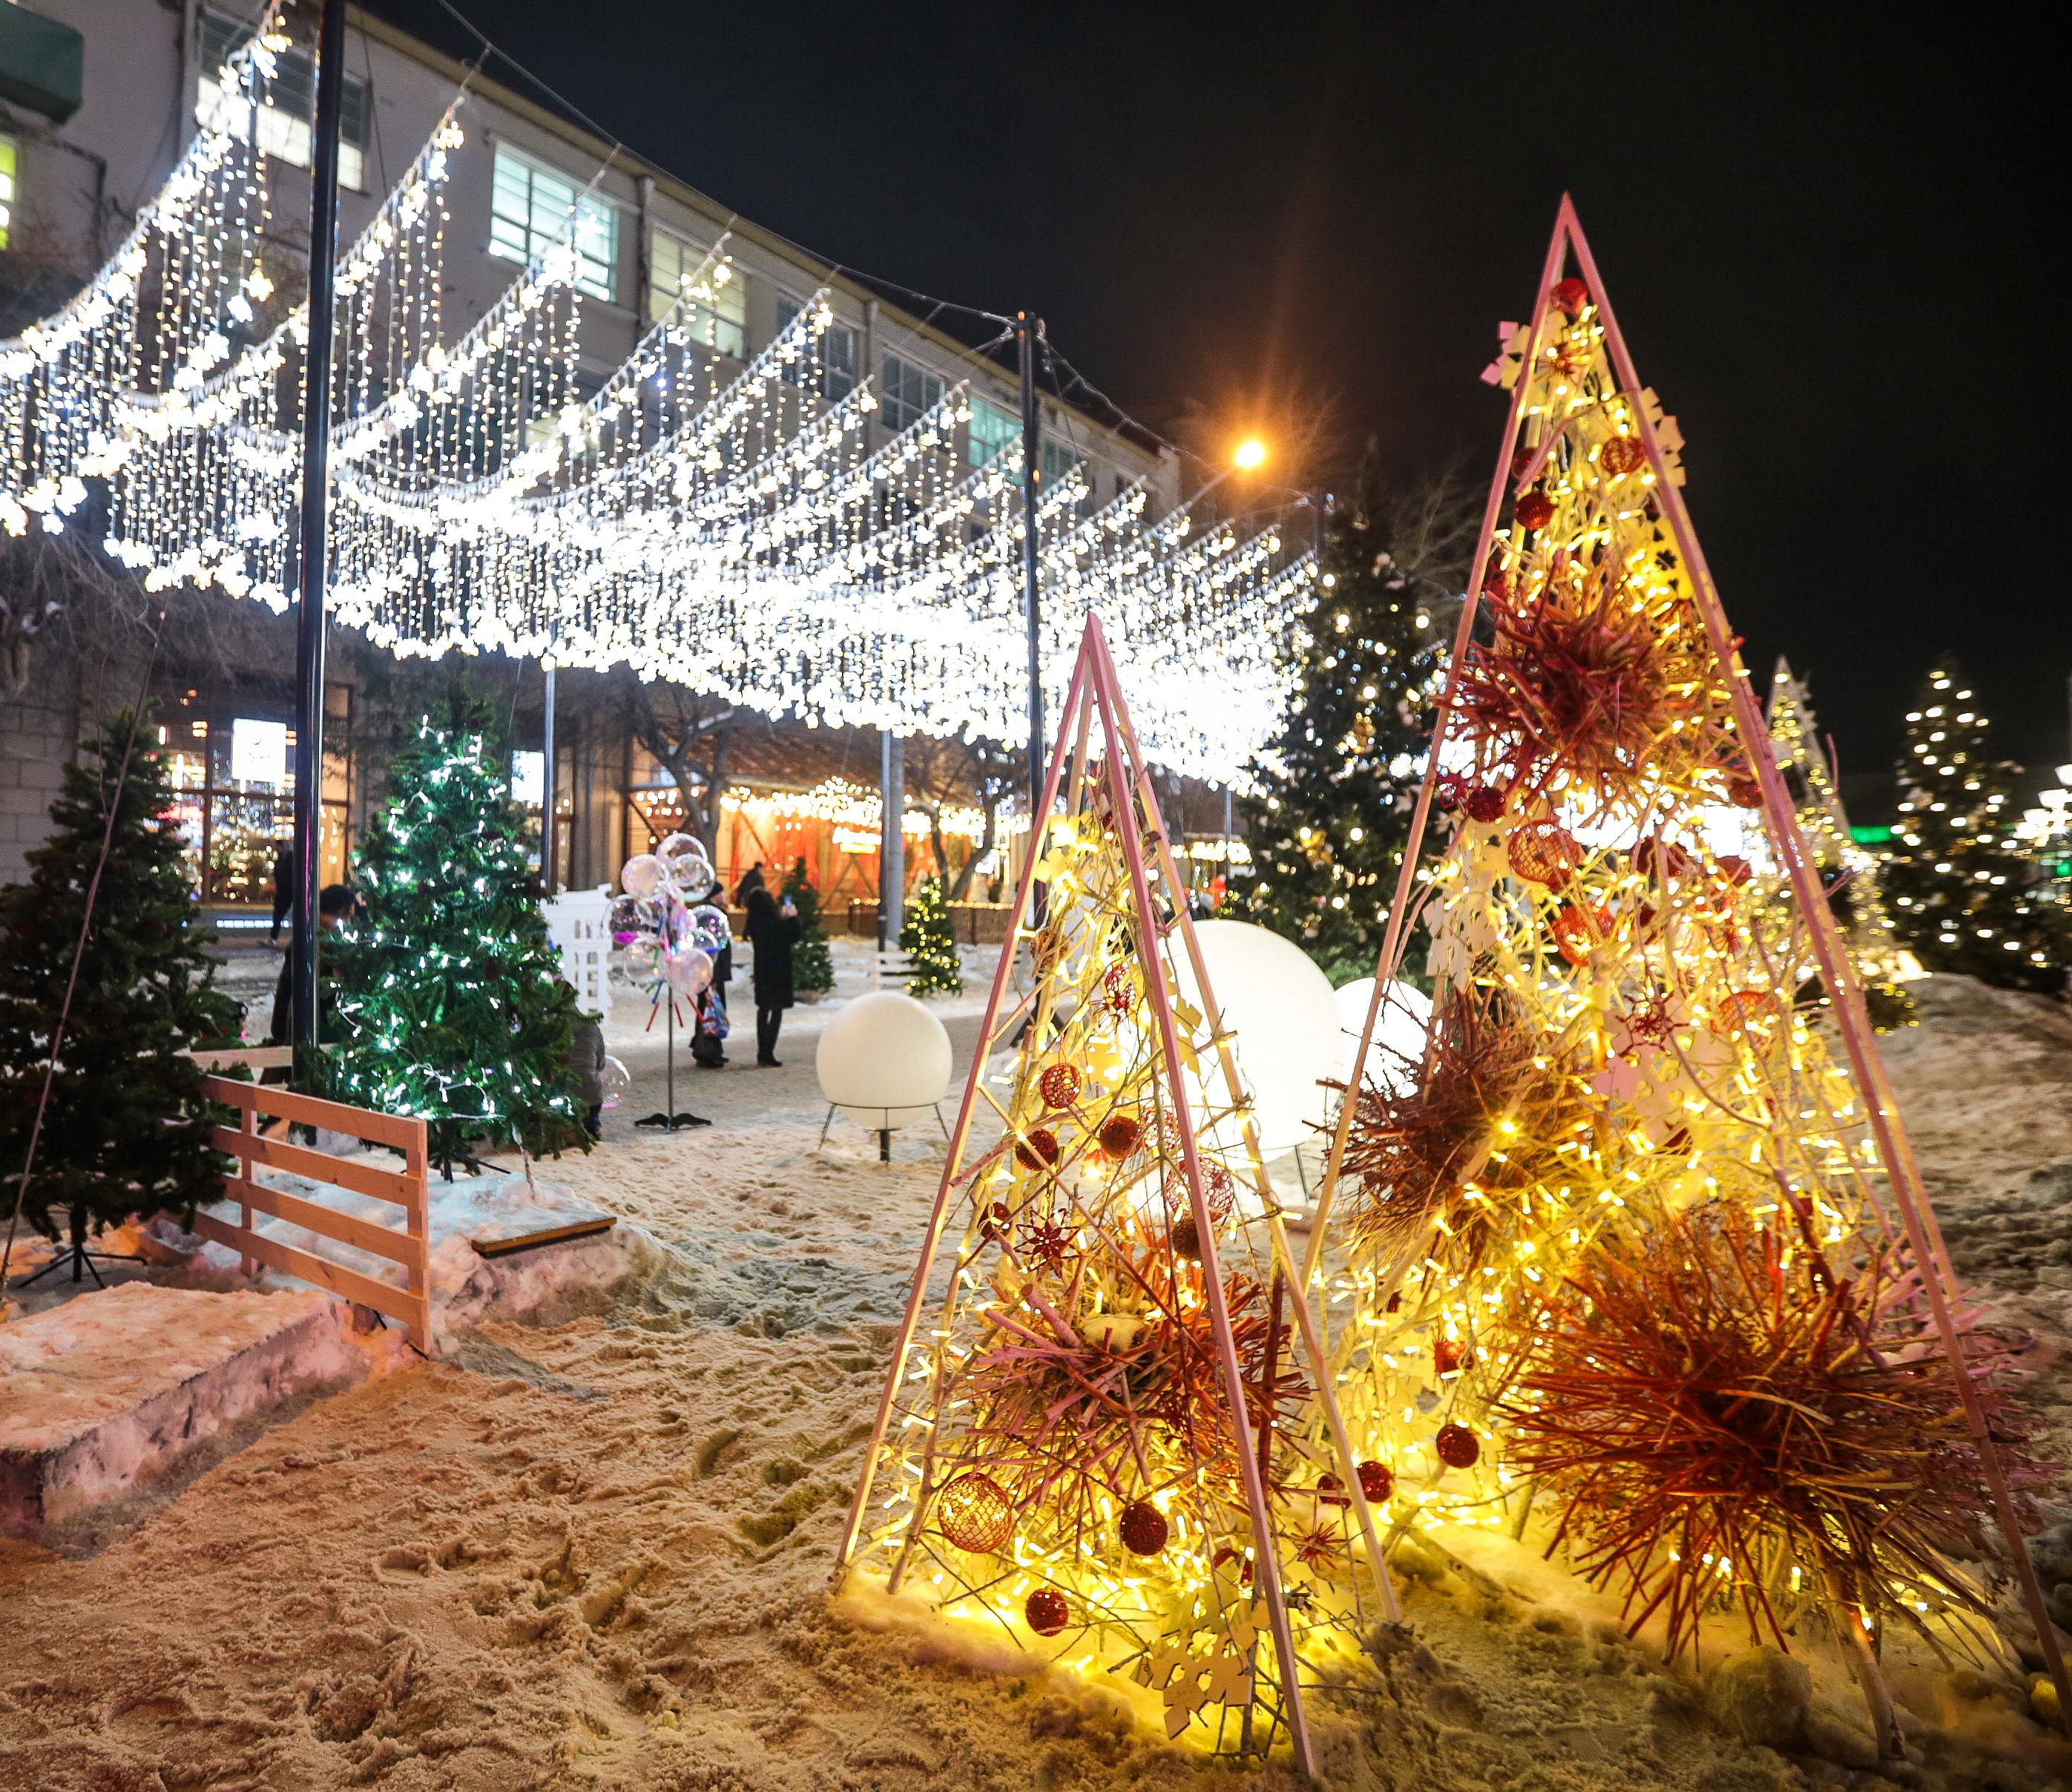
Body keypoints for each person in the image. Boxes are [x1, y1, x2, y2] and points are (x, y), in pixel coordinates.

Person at [268, 882, 358, 1045]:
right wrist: (279, 1033)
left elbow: (284, 991)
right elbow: (285, 989)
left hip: (332, 1037)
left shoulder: (349, 949)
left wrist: (279, 1031)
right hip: (312, 1034)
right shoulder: (305, 945)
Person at [743, 884, 800, 1067]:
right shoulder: (775, 923)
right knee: (776, 1011)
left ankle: (762, 1052)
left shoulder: (754, 923)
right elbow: (793, 936)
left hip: (763, 971)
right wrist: (792, 918)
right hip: (778, 972)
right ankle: (768, 1053)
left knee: (763, 1010)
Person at [565, 991, 606, 1138]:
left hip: (563, 1097)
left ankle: (566, 1128)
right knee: (590, 1112)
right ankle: (591, 1126)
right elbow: (601, 1064)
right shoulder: (592, 1026)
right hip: (592, 1099)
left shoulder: (550, 1029)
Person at [269, 843, 295, 944]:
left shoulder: (288, 859)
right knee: (278, 915)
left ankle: (273, 937)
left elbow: (284, 876)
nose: (277, 849)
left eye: (278, 847)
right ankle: (273, 937)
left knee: (278, 915)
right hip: (285, 892)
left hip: (285, 892)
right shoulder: (283, 859)